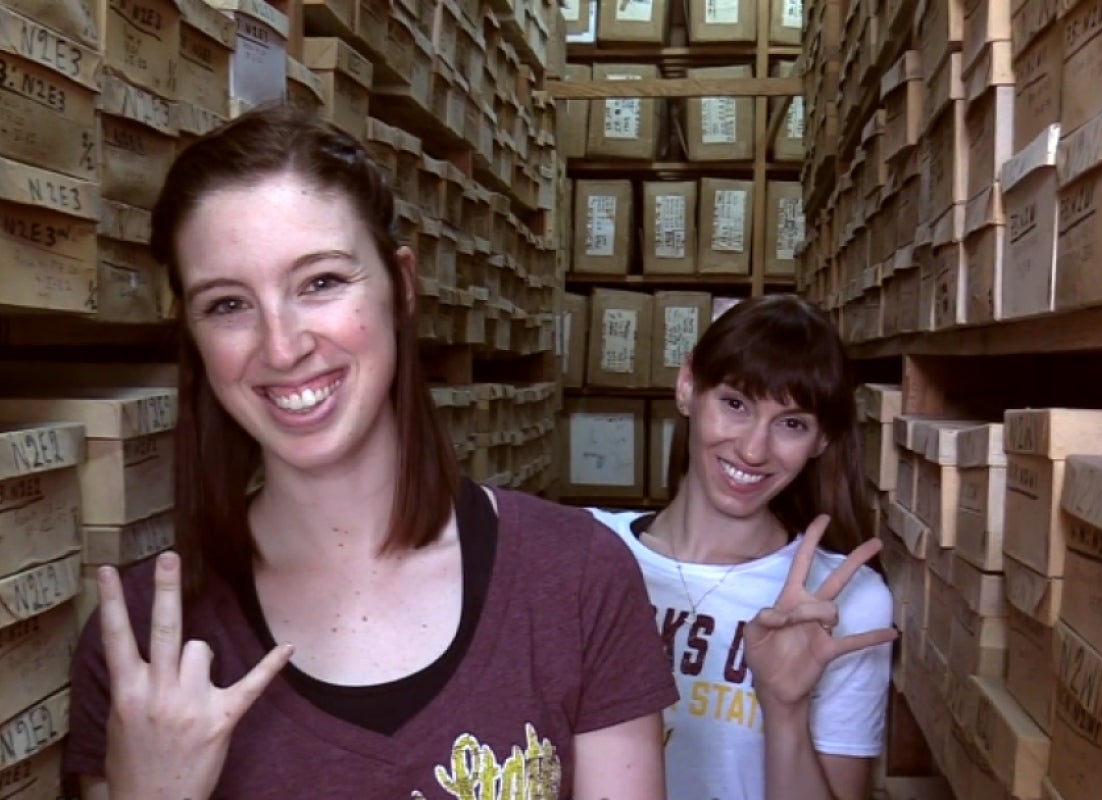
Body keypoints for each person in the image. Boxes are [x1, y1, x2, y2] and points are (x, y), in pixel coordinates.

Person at [65, 104, 678, 800]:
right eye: (228, 304)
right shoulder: (141, 640)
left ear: (402, 286)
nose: (283, 345)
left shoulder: (573, 575)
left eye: (321, 282)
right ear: (195, 337)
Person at [589, 294, 898, 800]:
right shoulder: (584, 554)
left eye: (792, 423)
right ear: (688, 386)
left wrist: (785, 709)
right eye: (735, 404)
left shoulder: (845, 601)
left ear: (821, 440)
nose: (754, 450)